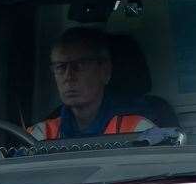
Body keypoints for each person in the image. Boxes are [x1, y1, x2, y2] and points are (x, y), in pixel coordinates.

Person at [28, 28, 161, 141]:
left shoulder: (139, 130)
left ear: (105, 71)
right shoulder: (41, 134)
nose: (68, 77)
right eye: (60, 67)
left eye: (79, 66)